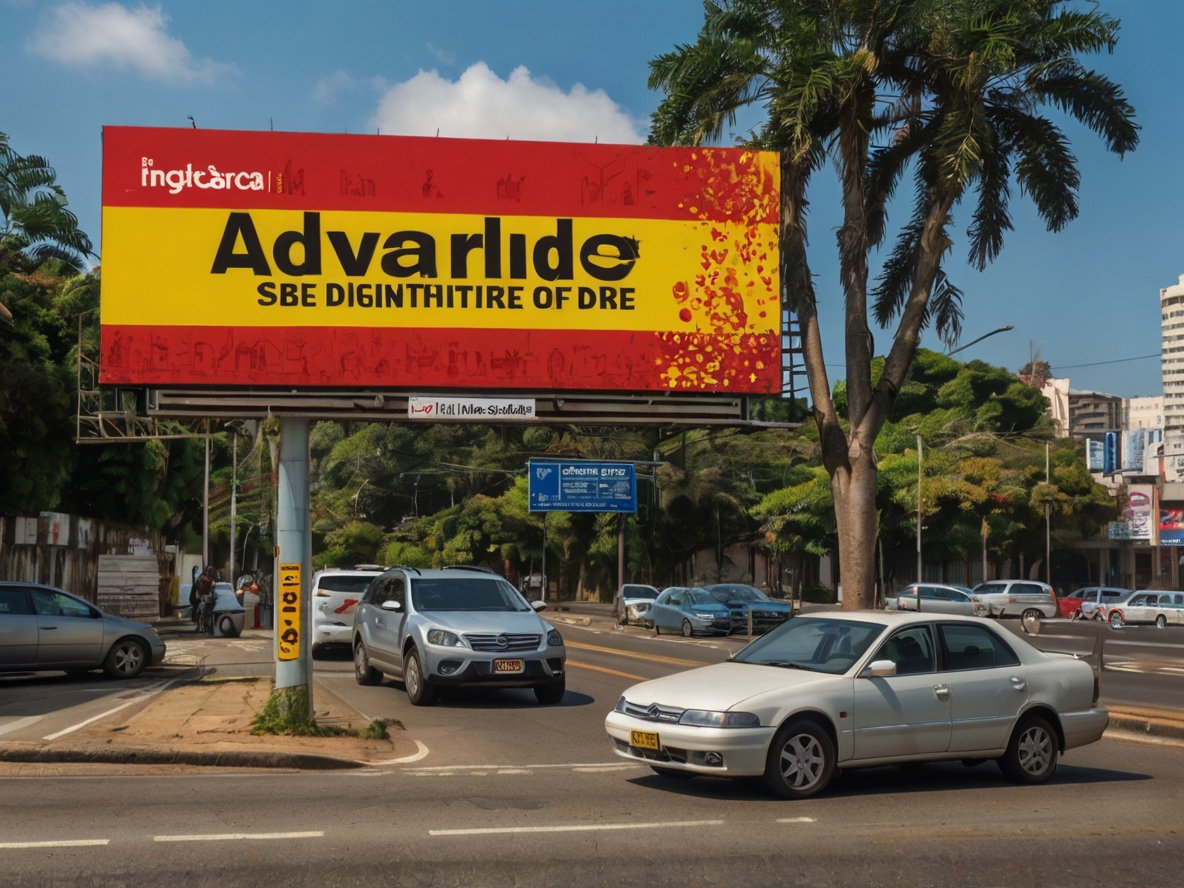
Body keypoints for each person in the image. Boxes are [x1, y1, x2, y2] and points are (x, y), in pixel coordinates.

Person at [193, 566, 216, 631]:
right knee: (200, 612)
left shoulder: (208, 580)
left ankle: (203, 626)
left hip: (207, 597)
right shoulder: (203, 578)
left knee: (202, 612)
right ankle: (200, 626)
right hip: (203, 597)